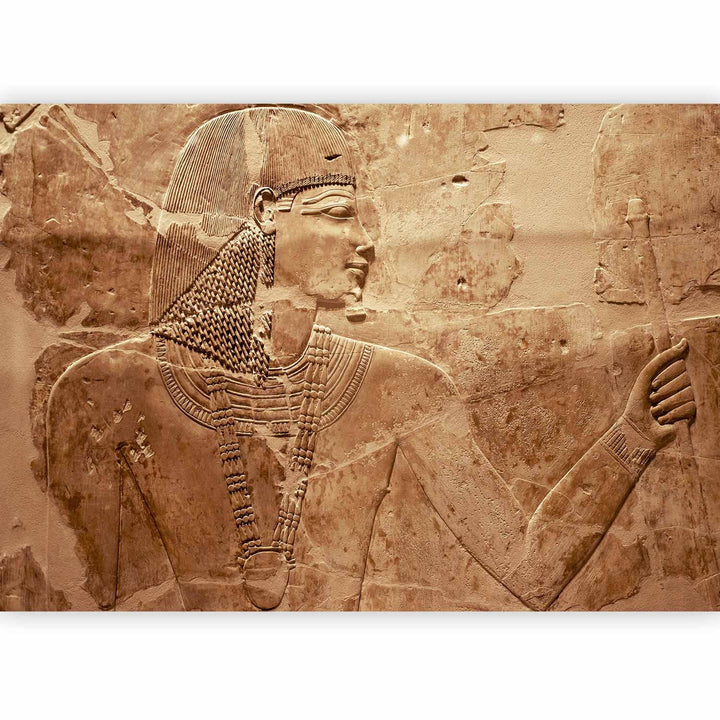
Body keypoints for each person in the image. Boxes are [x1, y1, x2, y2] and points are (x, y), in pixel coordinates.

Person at [47, 107, 697, 611]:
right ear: (265, 212)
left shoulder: (403, 387)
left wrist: (634, 435)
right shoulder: (102, 391)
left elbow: (532, 571)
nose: (364, 242)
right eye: (338, 214)